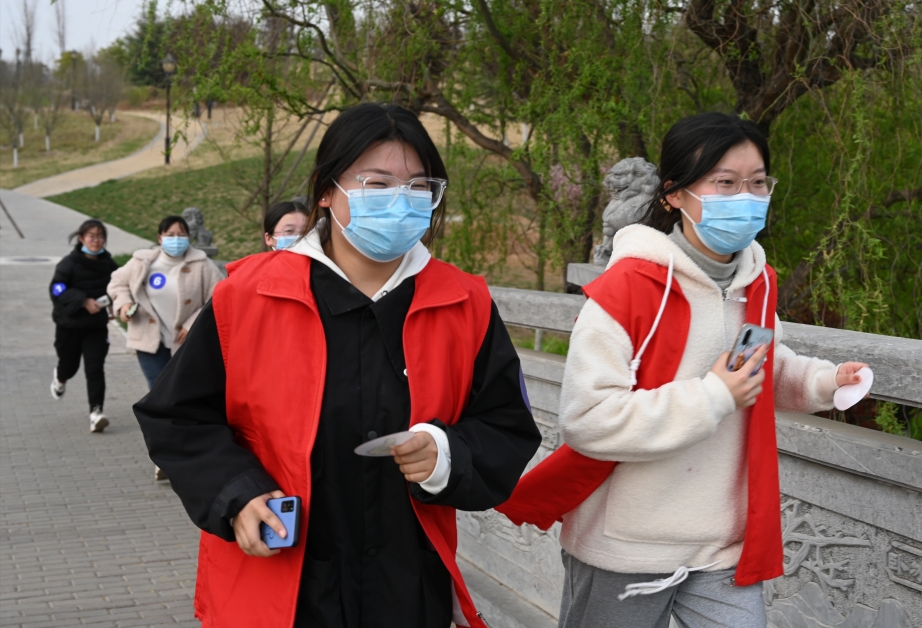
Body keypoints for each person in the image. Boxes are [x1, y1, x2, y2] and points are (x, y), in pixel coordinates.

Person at [132, 103, 541, 628]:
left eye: (418, 187)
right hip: (283, 583)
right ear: (327, 191)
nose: (400, 201)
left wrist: (445, 454)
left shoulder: (465, 302)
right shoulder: (250, 296)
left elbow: (506, 425)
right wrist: (236, 493)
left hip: (406, 585)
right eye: (377, 183)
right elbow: (177, 416)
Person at [497, 113, 871, 628]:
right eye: (724, 182)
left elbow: (757, 364)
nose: (746, 195)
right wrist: (713, 396)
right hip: (624, 547)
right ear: (674, 194)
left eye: (758, 182)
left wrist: (825, 382)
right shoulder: (625, 290)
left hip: (720, 544)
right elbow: (588, 420)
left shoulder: (754, 284)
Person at [109, 215, 225, 392]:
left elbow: (218, 298)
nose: (176, 239)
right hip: (149, 339)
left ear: (188, 237)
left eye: (181, 234)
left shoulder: (203, 265)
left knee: (183, 389)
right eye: (170, 235)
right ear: (159, 238)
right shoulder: (142, 262)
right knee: (158, 390)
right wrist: (124, 305)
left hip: (187, 342)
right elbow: (117, 282)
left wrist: (192, 323)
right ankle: (158, 420)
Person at [48, 219, 118, 433]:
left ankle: (96, 413)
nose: (96, 240)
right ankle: (60, 378)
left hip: (96, 326)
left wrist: (116, 304)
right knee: (69, 365)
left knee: (95, 369)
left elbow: (119, 285)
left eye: (100, 236)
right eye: (91, 236)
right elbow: (57, 290)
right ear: (81, 239)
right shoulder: (68, 263)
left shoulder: (109, 264)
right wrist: (83, 301)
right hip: (69, 325)